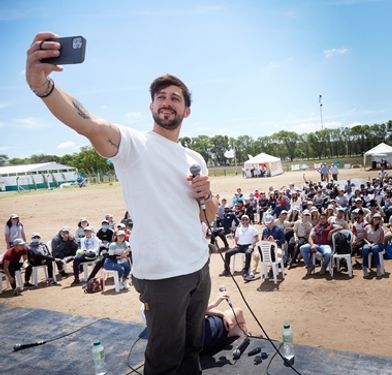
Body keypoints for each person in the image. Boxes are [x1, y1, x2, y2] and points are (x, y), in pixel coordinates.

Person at [27, 35, 216, 374]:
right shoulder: (134, 145)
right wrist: (44, 87)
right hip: (162, 276)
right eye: (161, 97)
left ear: (187, 110)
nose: (167, 102)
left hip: (198, 267)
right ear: (151, 106)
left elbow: (209, 217)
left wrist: (207, 194)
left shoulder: (195, 158)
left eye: (176, 98)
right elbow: (89, 123)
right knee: (164, 358)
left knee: (193, 348)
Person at [201, 291, 249, 355]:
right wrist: (213, 304)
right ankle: (246, 340)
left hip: (188, 343)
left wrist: (222, 314)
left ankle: (238, 336)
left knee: (235, 327)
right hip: (199, 338)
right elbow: (194, 312)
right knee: (238, 312)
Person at [220, 215, 259, 281]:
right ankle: (226, 270)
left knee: (248, 253)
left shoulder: (252, 229)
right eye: (243, 220)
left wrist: (253, 245)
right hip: (239, 246)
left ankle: (246, 271)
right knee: (227, 253)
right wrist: (235, 244)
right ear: (241, 221)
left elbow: (257, 239)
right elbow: (236, 238)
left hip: (248, 246)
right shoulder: (238, 229)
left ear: (248, 220)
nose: (244, 221)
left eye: (246, 219)